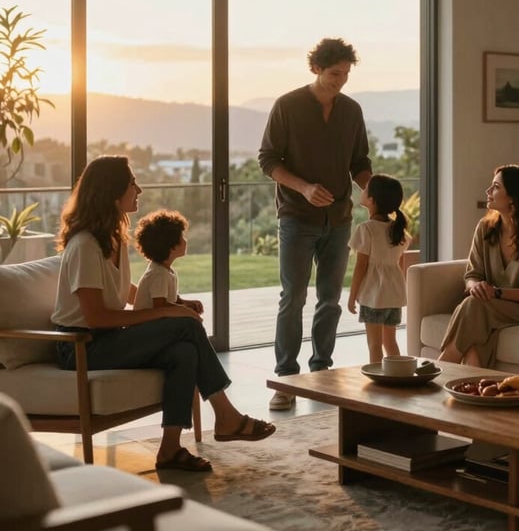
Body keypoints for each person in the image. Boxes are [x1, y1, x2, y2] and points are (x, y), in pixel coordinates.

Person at [51, 155, 275, 473]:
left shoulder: (112, 238)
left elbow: (122, 291)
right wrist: (164, 314)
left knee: (183, 351)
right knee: (184, 326)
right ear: (113, 192)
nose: (139, 189)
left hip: (105, 340)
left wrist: (175, 303)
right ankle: (226, 416)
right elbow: (97, 317)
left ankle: (170, 449)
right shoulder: (85, 245)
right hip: (81, 347)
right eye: (132, 184)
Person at [258, 37, 372, 410]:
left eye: (345, 74)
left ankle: (321, 371)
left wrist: (374, 191)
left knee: (330, 300)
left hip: (339, 220)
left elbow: (359, 162)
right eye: (334, 73)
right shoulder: (287, 106)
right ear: (316, 69)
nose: (340, 80)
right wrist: (304, 188)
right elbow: (268, 159)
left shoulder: (351, 111)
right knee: (293, 297)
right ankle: (286, 380)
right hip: (296, 217)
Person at [438, 165, 519, 368]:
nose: (488, 192)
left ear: (513, 197)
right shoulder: (485, 228)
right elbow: (472, 274)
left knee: (474, 305)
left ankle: (442, 365)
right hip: (488, 306)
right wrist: (475, 286)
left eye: (495, 187)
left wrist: (495, 293)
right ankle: (469, 385)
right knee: (476, 332)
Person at [347, 174, 411, 364]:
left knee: (374, 345)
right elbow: (399, 264)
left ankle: (377, 385)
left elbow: (361, 267)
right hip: (394, 295)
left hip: (374, 296)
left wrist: (352, 297)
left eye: (365, 189)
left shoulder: (366, 229)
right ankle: (399, 378)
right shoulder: (398, 231)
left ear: (372, 200)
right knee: (390, 343)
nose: (362, 191)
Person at [132, 209, 203, 313]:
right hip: (146, 326)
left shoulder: (166, 270)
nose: (185, 240)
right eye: (182, 237)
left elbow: (171, 300)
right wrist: (185, 310)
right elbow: (160, 306)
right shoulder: (159, 274)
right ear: (172, 247)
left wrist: (187, 304)